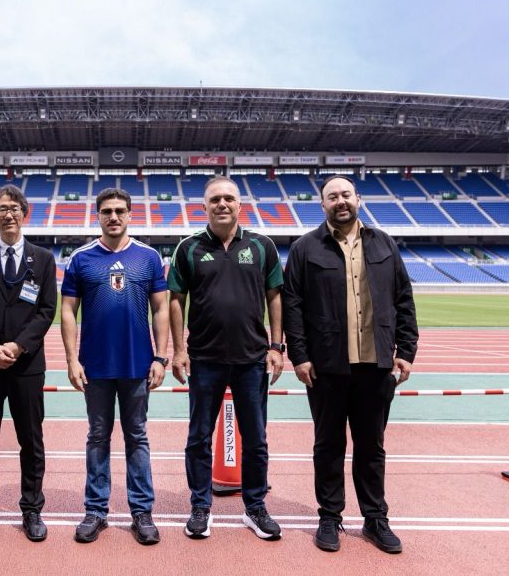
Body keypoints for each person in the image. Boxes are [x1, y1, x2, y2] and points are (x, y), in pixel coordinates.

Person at [282, 174, 418, 554]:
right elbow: (292, 305)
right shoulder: (305, 248)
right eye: (332, 197)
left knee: (371, 447)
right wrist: (300, 356)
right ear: (322, 204)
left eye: (345, 194)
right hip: (326, 367)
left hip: (375, 364)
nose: (340, 201)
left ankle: (375, 518)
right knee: (328, 445)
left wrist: (406, 350)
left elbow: (404, 299)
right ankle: (330, 516)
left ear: (358, 198)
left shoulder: (385, 244)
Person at [167, 175, 285, 541]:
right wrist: (179, 349)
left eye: (228, 199)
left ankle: (255, 507)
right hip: (204, 358)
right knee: (199, 437)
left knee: (256, 438)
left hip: (252, 359)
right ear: (204, 207)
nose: (222, 204)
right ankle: (200, 506)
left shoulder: (263, 245)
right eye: (215, 199)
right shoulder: (188, 248)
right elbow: (176, 299)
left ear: (239, 205)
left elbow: (275, 297)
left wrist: (276, 347)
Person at [61, 188, 169, 545]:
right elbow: (67, 311)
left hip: (138, 365)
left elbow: (161, 308)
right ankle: (95, 510)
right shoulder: (81, 258)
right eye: (107, 211)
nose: (114, 217)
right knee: (97, 437)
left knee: (137, 436)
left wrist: (160, 357)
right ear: (98, 215)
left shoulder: (149, 257)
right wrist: (72, 359)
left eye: (120, 210)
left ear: (130, 214)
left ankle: (142, 512)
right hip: (95, 367)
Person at [0, 184, 57, 542]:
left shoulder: (43, 259)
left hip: (27, 366)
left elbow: (47, 310)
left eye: (14, 208)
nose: (8, 214)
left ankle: (32, 508)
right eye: (1, 208)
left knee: (31, 441)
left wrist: (18, 347)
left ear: (24, 213)